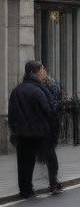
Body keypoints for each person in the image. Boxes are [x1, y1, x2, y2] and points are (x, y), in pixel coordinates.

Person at [8, 61, 58, 198]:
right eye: (41, 69)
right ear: (35, 72)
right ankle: (46, 185)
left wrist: (14, 128)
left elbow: (11, 114)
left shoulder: (16, 90)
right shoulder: (38, 90)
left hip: (20, 132)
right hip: (37, 132)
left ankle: (24, 189)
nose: (43, 72)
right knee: (39, 159)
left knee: (22, 162)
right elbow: (48, 110)